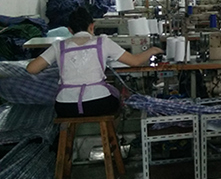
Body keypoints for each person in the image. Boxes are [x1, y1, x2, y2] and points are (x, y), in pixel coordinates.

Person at [26, 7, 163, 118]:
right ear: (92, 26)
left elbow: (31, 69)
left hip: (65, 107)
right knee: (119, 99)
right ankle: (112, 138)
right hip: (99, 103)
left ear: (70, 30)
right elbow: (135, 61)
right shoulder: (102, 42)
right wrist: (153, 50)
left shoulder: (59, 46)